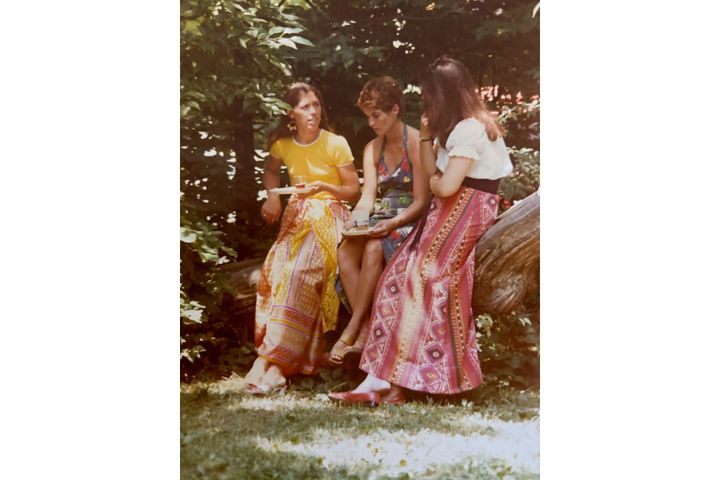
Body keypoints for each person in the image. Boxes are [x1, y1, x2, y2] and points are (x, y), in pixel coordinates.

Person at [329, 56, 513, 405]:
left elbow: (444, 188)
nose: (427, 102)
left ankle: (405, 380)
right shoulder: (455, 128)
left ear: (443, 94)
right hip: (449, 208)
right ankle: (383, 383)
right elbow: (435, 181)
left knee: (424, 278)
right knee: (396, 276)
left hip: (468, 207)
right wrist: (427, 140)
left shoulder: (471, 129)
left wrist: (436, 179)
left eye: (430, 95)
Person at [243, 82, 361, 394]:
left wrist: (323, 186)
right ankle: (272, 362)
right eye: (305, 107)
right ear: (290, 114)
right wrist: (272, 198)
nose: (313, 112)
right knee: (276, 273)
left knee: (299, 274)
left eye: (316, 105)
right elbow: (270, 172)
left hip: (330, 217)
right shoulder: (283, 144)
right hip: (296, 219)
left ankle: (272, 363)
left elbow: (353, 191)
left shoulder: (335, 143)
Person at [323, 76, 431, 366]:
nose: (371, 122)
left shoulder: (415, 144)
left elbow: (422, 201)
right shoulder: (372, 148)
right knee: (345, 250)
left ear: (395, 110)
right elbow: (368, 198)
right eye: (367, 116)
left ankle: (354, 328)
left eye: (376, 115)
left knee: (373, 248)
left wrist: (391, 225)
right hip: (380, 220)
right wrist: (355, 220)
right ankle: (369, 324)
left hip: (409, 220)